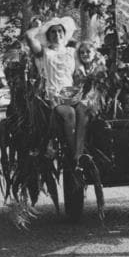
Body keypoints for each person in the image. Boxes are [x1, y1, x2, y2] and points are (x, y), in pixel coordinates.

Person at [23, 16, 80, 161]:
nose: (57, 34)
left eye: (60, 31)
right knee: (70, 113)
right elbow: (29, 37)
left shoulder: (72, 52)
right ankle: (76, 155)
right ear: (48, 36)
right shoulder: (44, 52)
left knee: (87, 112)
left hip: (71, 93)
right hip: (52, 94)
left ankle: (86, 149)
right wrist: (38, 27)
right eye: (53, 32)